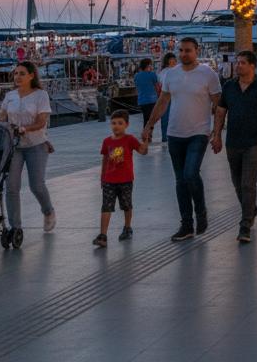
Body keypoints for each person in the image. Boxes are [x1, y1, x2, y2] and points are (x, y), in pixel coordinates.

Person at [142, 37, 222, 242]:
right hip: (175, 133)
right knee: (180, 181)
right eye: (181, 50)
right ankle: (186, 224)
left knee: (190, 174)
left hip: (199, 133)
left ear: (196, 51)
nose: (184, 54)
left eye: (188, 50)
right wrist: (149, 124)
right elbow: (163, 101)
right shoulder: (171, 74)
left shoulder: (208, 74)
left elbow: (218, 104)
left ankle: (201, 211)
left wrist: (217, 131)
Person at [212, 50, 257, 243]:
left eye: (241, 63)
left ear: (252, 66)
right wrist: (216, 136)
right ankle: (251, 209)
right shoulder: (229, 86)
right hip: (233, 141)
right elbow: (221, 112)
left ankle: (245, 224)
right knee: (237, 183)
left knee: (248, 183)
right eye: (237, 62)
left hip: (255, 142)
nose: (237, 66)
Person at [0, 61, 56, 235]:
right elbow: (2, 115)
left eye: (22, 73)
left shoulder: (41, 95)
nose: (17, 77)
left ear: (31, 76)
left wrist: (25, 129)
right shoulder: (10, 96)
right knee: (12, 187)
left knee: (36, 185)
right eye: (15, 74)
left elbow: (41, 121)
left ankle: (48, 211)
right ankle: (16, 228)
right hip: (13, 146)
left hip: (36, 145)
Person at [94, 109, 147, 247]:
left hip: (125, 180)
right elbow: (105, 159)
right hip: (109, 180)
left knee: (126, 205)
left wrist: (146, 141)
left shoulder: (129, 139)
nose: (116, 126)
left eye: (120, 123)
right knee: (106, 207)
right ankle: (103, 235)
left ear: (126, 125)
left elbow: (142, 151)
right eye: (113, 123)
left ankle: (127, 227)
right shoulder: (106, 141)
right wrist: (102, 177)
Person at [133, 58, 160, 135]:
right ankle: (148, 134)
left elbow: (137, 88)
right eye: (151, 64)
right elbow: (157, 87)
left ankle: (147, 134)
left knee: (146, 118)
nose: (152, 66)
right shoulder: (152, 74)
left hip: (142, 100)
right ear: (148, 65)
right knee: (151, 119)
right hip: (152, 100)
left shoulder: (136, 76)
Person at [155, 52, 177, 143]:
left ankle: (166, 136)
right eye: (172, 61)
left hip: (169, 97)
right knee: (168, 117)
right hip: (168, 96)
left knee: (167, 117)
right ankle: (166, 136)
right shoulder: (168, 72)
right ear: (168, 62)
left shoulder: (162, 72)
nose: (174, 62)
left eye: (174, 61)